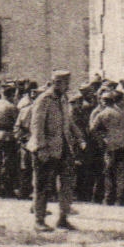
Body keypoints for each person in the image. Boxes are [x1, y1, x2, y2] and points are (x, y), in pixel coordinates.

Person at [27, 71, 81, 231]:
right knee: (42, 185)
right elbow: (36, 126)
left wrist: (79, 137)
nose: (67, 86)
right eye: (65, 83)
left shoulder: (63, 99)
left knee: (67, 185)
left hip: (63, 148)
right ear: (56, 83)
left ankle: (63, 219)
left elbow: (68, 121)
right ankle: (39, 220)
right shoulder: (44, 100)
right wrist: (41, 148)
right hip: (46, 149)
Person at [89, 89, 124, 206]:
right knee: (121, 173)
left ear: (104, 101)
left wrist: (102, 138)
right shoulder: (123, 112)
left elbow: (92, 129)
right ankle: (120, 199)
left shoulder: (102, 114)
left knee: (109, 172)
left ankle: (108, 198)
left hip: (111, 146)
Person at [0, 84, 22, 199]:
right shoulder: (11, 107)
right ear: (12, 94)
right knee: (8, 163)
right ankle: (5, 188)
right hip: (7, 135)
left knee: (1, 161)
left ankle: (0, 185)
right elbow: (17, 121)